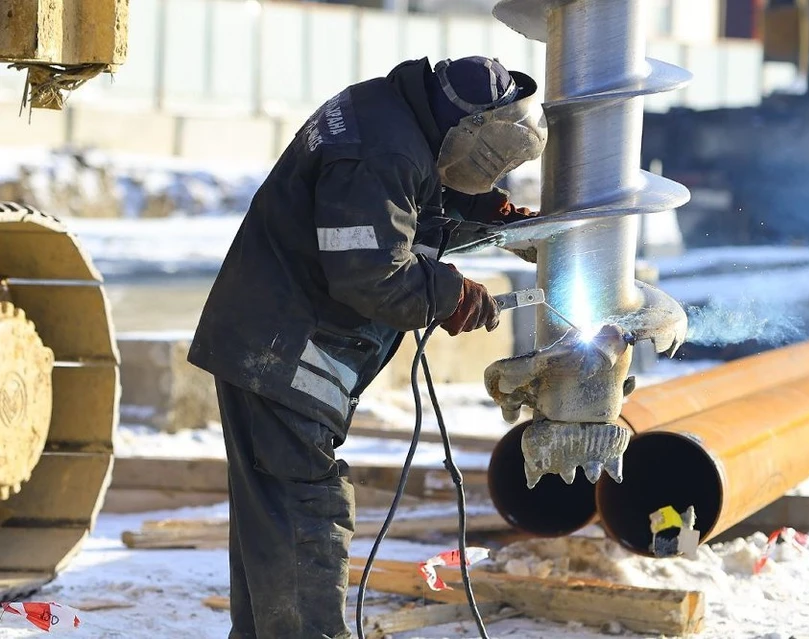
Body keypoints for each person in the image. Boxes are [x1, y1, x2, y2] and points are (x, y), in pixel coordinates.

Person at [186, 55, 547, 639]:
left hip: (268, 343)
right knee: (307, 512)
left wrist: (489, 214)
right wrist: (450, 294)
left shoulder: (395, 116)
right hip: (284, 356)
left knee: (272, 524)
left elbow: (412, 200)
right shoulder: (383, 151)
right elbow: (369, 273)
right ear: (470, 128)